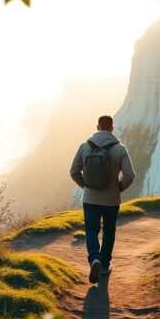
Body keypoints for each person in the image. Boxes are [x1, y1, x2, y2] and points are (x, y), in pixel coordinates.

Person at [69, 115, 135, 284]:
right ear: (112, 128)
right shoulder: (120, 149)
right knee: (109, 231)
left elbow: (73, 172)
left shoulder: (84, 147)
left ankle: (94, 259)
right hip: (111, 200)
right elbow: (129, 175)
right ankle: (104, 266)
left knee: (91, 230)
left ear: (97, 127)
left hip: (90, 199)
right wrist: (119, 188)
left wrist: (86, 186)